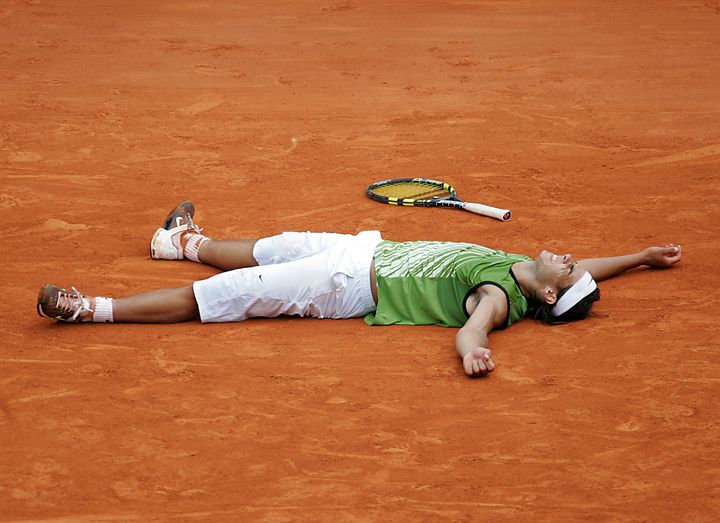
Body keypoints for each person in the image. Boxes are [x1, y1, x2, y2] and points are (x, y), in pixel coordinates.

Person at [37, 201, 682, 377]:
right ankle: (178, 241)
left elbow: (470, 329)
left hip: (343, 284)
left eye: (567, 271)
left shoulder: (500, 299)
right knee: (267, 245)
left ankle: (87, 309)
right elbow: (592, 264)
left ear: (546, 297)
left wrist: (472, 354)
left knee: (230, 293)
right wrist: (643, 257)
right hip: (363, 249)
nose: (568, 257)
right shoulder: (524, 267)